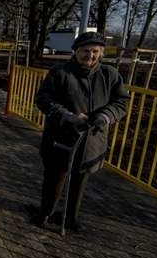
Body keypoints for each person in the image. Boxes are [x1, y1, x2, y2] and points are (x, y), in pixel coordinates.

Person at [33, 31, 129, 232]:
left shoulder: (110, 74)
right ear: (76, 52)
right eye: (85, 51)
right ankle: (45, 213)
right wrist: (67, 115)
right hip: (60, 137)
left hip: (92, 139)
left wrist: (106, 116)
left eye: (95, 51)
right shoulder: (60, 72)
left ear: (101, 53)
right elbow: (43, 99)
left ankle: (70, 217)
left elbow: (121, 102)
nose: (90, 55)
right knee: (55, 177)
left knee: (80, 178)